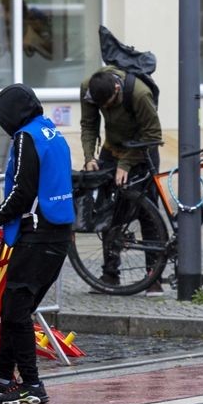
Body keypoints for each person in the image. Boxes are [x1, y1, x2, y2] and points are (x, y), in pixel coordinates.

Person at [0, 84, 74, 404]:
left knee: (15, 311)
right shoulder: (51, 131)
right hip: (57, 234)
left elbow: (21, 193)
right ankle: (1, 379)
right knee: (17, 311)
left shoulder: (27, 137)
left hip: (38, 234)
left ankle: (31, 383)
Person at [80, 65, 164, 291]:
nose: (107, 109)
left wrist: (125, 164)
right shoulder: (89, 89)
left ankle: (153, 278)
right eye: (102, 107)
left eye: (110, 104)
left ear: (117, 88)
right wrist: (89, 157)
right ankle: (110, 275)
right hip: (112, 148)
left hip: (143, 150)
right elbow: (89, 124)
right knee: (109, 210)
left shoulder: (139, 93)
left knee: (148, 213)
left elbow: (154, 135)